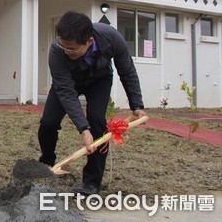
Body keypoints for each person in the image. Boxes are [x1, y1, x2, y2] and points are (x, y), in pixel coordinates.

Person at [38, 11, 147, 195]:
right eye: (64, 46)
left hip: (99, 80)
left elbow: (127, 71)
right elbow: (66, 91)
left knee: (97, 122)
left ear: (89, 42)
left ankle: (92, 182)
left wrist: (137, 105)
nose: (66, 51)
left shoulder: (111, 38)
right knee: (48, 122)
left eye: (72, 49)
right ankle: (47, 162)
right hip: (67, 81)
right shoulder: (57, 49)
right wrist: (83, 128)